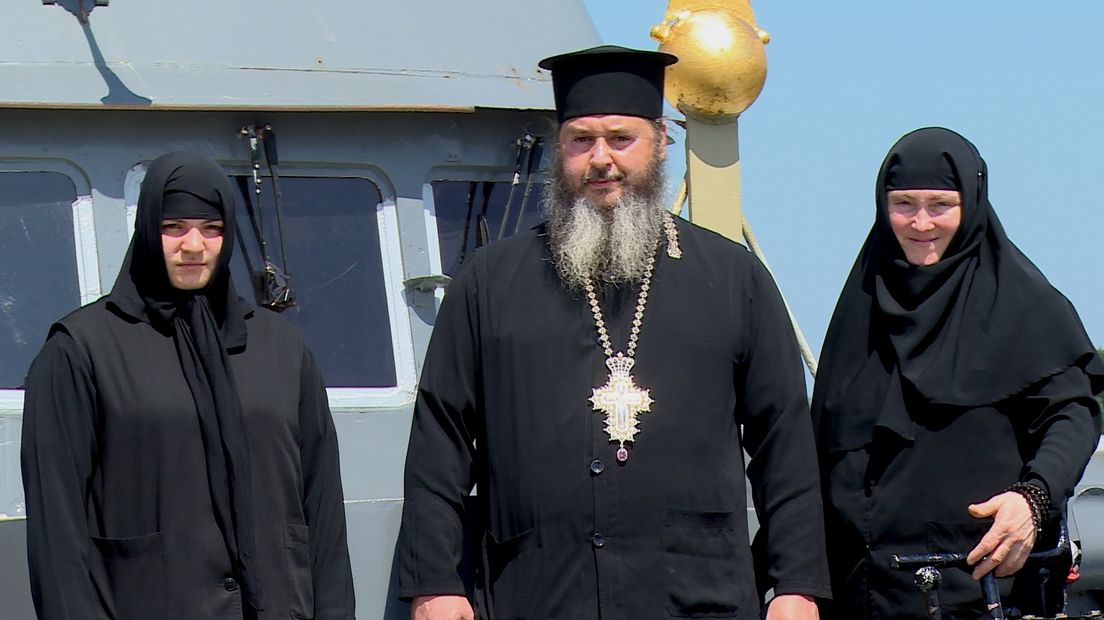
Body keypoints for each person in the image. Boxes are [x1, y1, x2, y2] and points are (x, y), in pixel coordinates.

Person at [398, 45, 830, 620]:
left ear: (659, 142)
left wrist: (796, 584)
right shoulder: (490, 281)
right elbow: (439, 442)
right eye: (581, 140)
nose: (601, 159)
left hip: (696, 596)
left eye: (620, 139)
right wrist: (435, 583)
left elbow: (785, 444)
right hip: (542, 592)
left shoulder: (732, 278)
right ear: (560, 150)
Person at [20, 151, 355, 620]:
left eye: (211, 228)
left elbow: (322, 509)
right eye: (174, 227)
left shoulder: (281, 349)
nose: (194, 245)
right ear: (147, 227)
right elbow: (57, 533)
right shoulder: (82, 350)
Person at [811, 127, 1104, 619]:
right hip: (862, 597)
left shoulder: (1023, 307)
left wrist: (1031, 499)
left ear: (971, 204)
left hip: (984, 592)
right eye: (903, 203)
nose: (920, 222)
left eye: (940, 204)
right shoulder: (859, 313)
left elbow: (1071, 417)